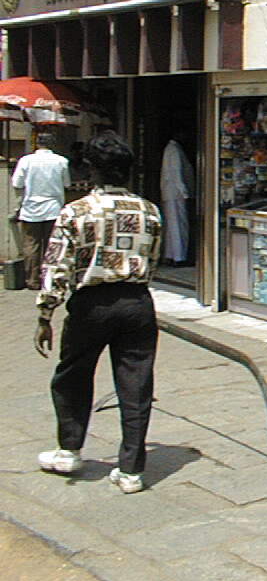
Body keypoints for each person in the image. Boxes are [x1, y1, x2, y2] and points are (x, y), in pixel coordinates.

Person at [34, 131, 163, 495]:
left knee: (73, 376)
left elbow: (56, 266)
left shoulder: (76, 212)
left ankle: (69, 449)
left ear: (92, 170)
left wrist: (45, 313)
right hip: (137, 301)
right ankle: (131, 470)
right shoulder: (149, 211)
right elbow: (153, 260)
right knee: (136, 385)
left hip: (92, 304)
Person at [11, 131, 70, 290]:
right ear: (52, 144)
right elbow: (66, 183)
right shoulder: (61, 161)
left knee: (31, 245)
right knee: (52, 244)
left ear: (37, 144)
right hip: (53, 208)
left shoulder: (26, 161)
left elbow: (17, 183)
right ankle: (49, 278)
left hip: (31, 209)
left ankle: (32, 280)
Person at [160, 132, 195, 266]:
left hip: (171, 192)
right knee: (179, 225)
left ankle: (171, 255)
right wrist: (184, 192)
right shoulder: (174, 150)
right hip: (176, 193)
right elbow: (176, 172)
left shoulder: (171, 149)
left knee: (172, 225)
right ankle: (179, 256)